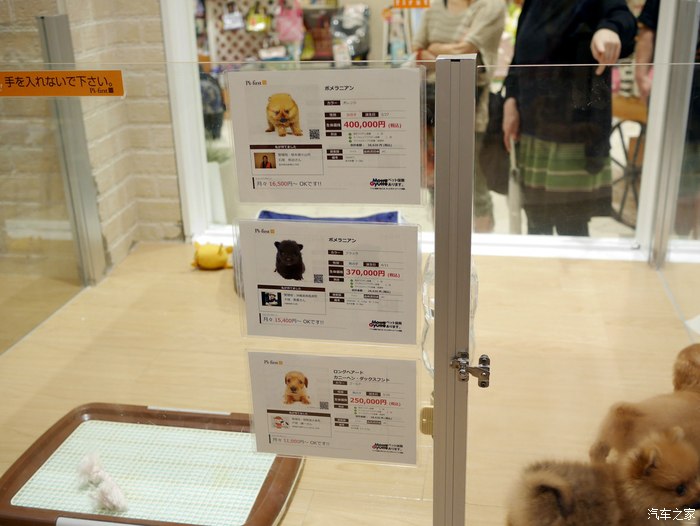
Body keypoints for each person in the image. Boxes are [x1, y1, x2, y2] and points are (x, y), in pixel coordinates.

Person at [502, 1, 637, 236]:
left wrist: (610, 29)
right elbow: (519, 55)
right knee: (536, 222)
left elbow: (623, 19)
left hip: (574, 133)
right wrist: (511, 99)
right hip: (533, 128)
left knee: (572, 226)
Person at [413, 0, 506, 233]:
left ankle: (483, 247)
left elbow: (468, 52)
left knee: (475, 185)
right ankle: (442, 244)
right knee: (436, 185)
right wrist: (449, 52)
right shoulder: (435, 8)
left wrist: (434, 49)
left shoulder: (490, 7)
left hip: (471, 112)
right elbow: (416, 53)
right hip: (432, 111)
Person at [635, 0, 700, 238]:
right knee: (677, 176)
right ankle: (679, 240)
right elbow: (648, 30)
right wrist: (642, 76)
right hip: (677, 92)